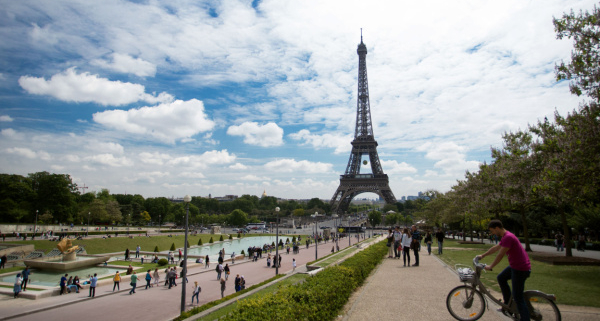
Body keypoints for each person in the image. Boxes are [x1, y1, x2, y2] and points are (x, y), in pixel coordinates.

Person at [477, 219, 531, 321]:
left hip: (520, 269)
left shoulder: (508, 237)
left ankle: (525, 319)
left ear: (497, 228)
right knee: (501, 278)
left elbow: (500, 254)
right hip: (516, 266)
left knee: (518, 297)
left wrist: (491, 266)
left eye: (492, 231)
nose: (492, 233)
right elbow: (496, 248)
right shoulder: (506, 236)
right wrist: (482, 255)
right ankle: (507, 306)